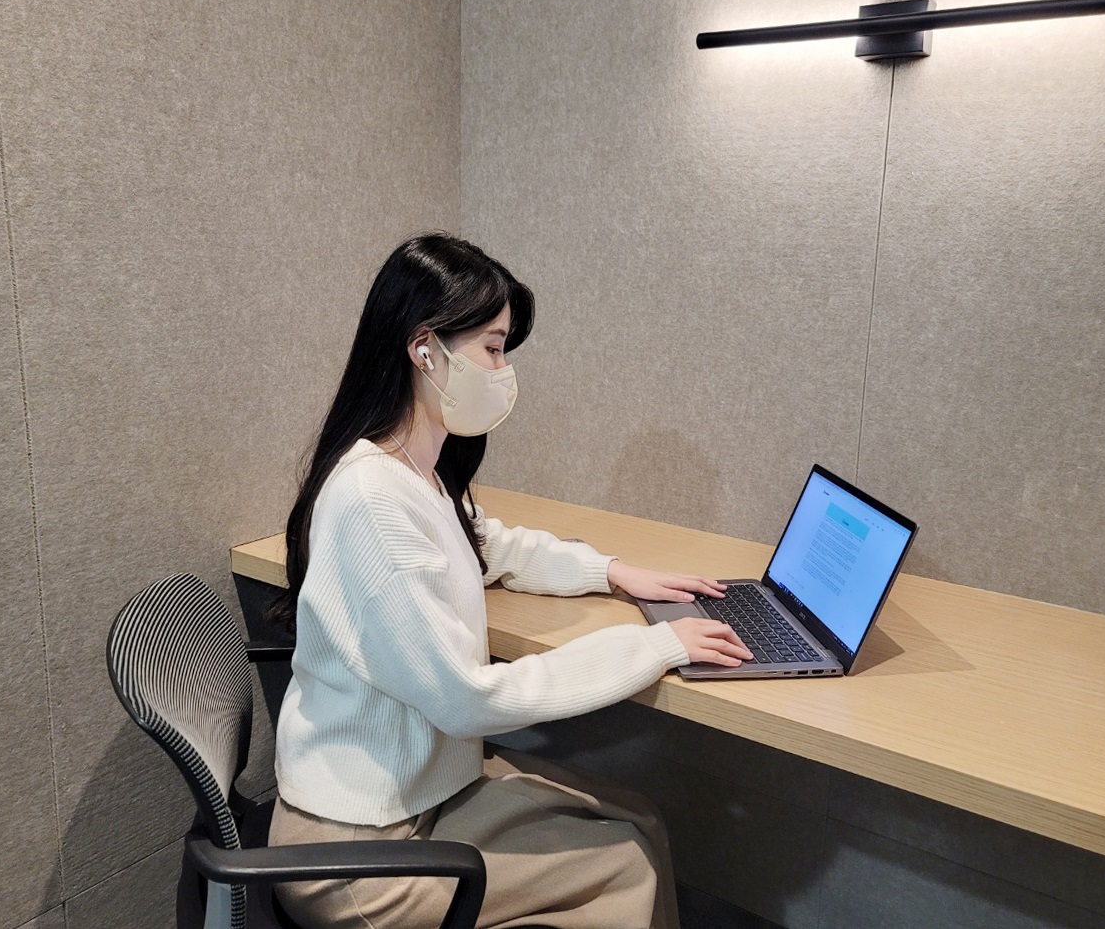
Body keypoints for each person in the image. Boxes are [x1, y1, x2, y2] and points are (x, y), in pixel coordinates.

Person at [265, 233, 751, 929]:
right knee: (627, 863)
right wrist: (656, 645)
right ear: (424, 349)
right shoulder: (372, 499)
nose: (504, 370)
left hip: (417, 797)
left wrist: (611, 572)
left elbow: (485, 542)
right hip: (357, 855)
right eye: (492, 348)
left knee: (638, 816)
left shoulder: (409, 470)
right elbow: (467, 699)